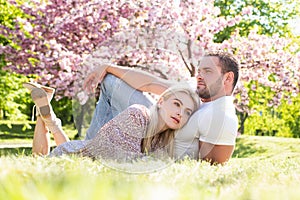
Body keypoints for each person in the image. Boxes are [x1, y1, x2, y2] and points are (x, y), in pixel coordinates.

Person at [83, 50, 240, 164]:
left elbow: (213, 167)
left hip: (155, 148)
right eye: (199, 71)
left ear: (227, 78)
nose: (199, 76)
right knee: (110, 81)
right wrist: (108, 67)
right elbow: (152, 84)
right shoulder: (197, 87)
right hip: (153, 123)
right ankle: (91, 145)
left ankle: (88, 150)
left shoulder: (222, 117)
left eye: (207, 71)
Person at [24, 82, 200, 161]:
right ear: (161, 101)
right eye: (177, 104)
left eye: (187, 112)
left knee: (80, 147)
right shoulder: (137, 114)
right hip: (69, 155)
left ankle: (47, 114)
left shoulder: (165, 139)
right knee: (39, 161)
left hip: (84, 150)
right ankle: (44, 117)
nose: (180, 113)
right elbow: (126, 160)